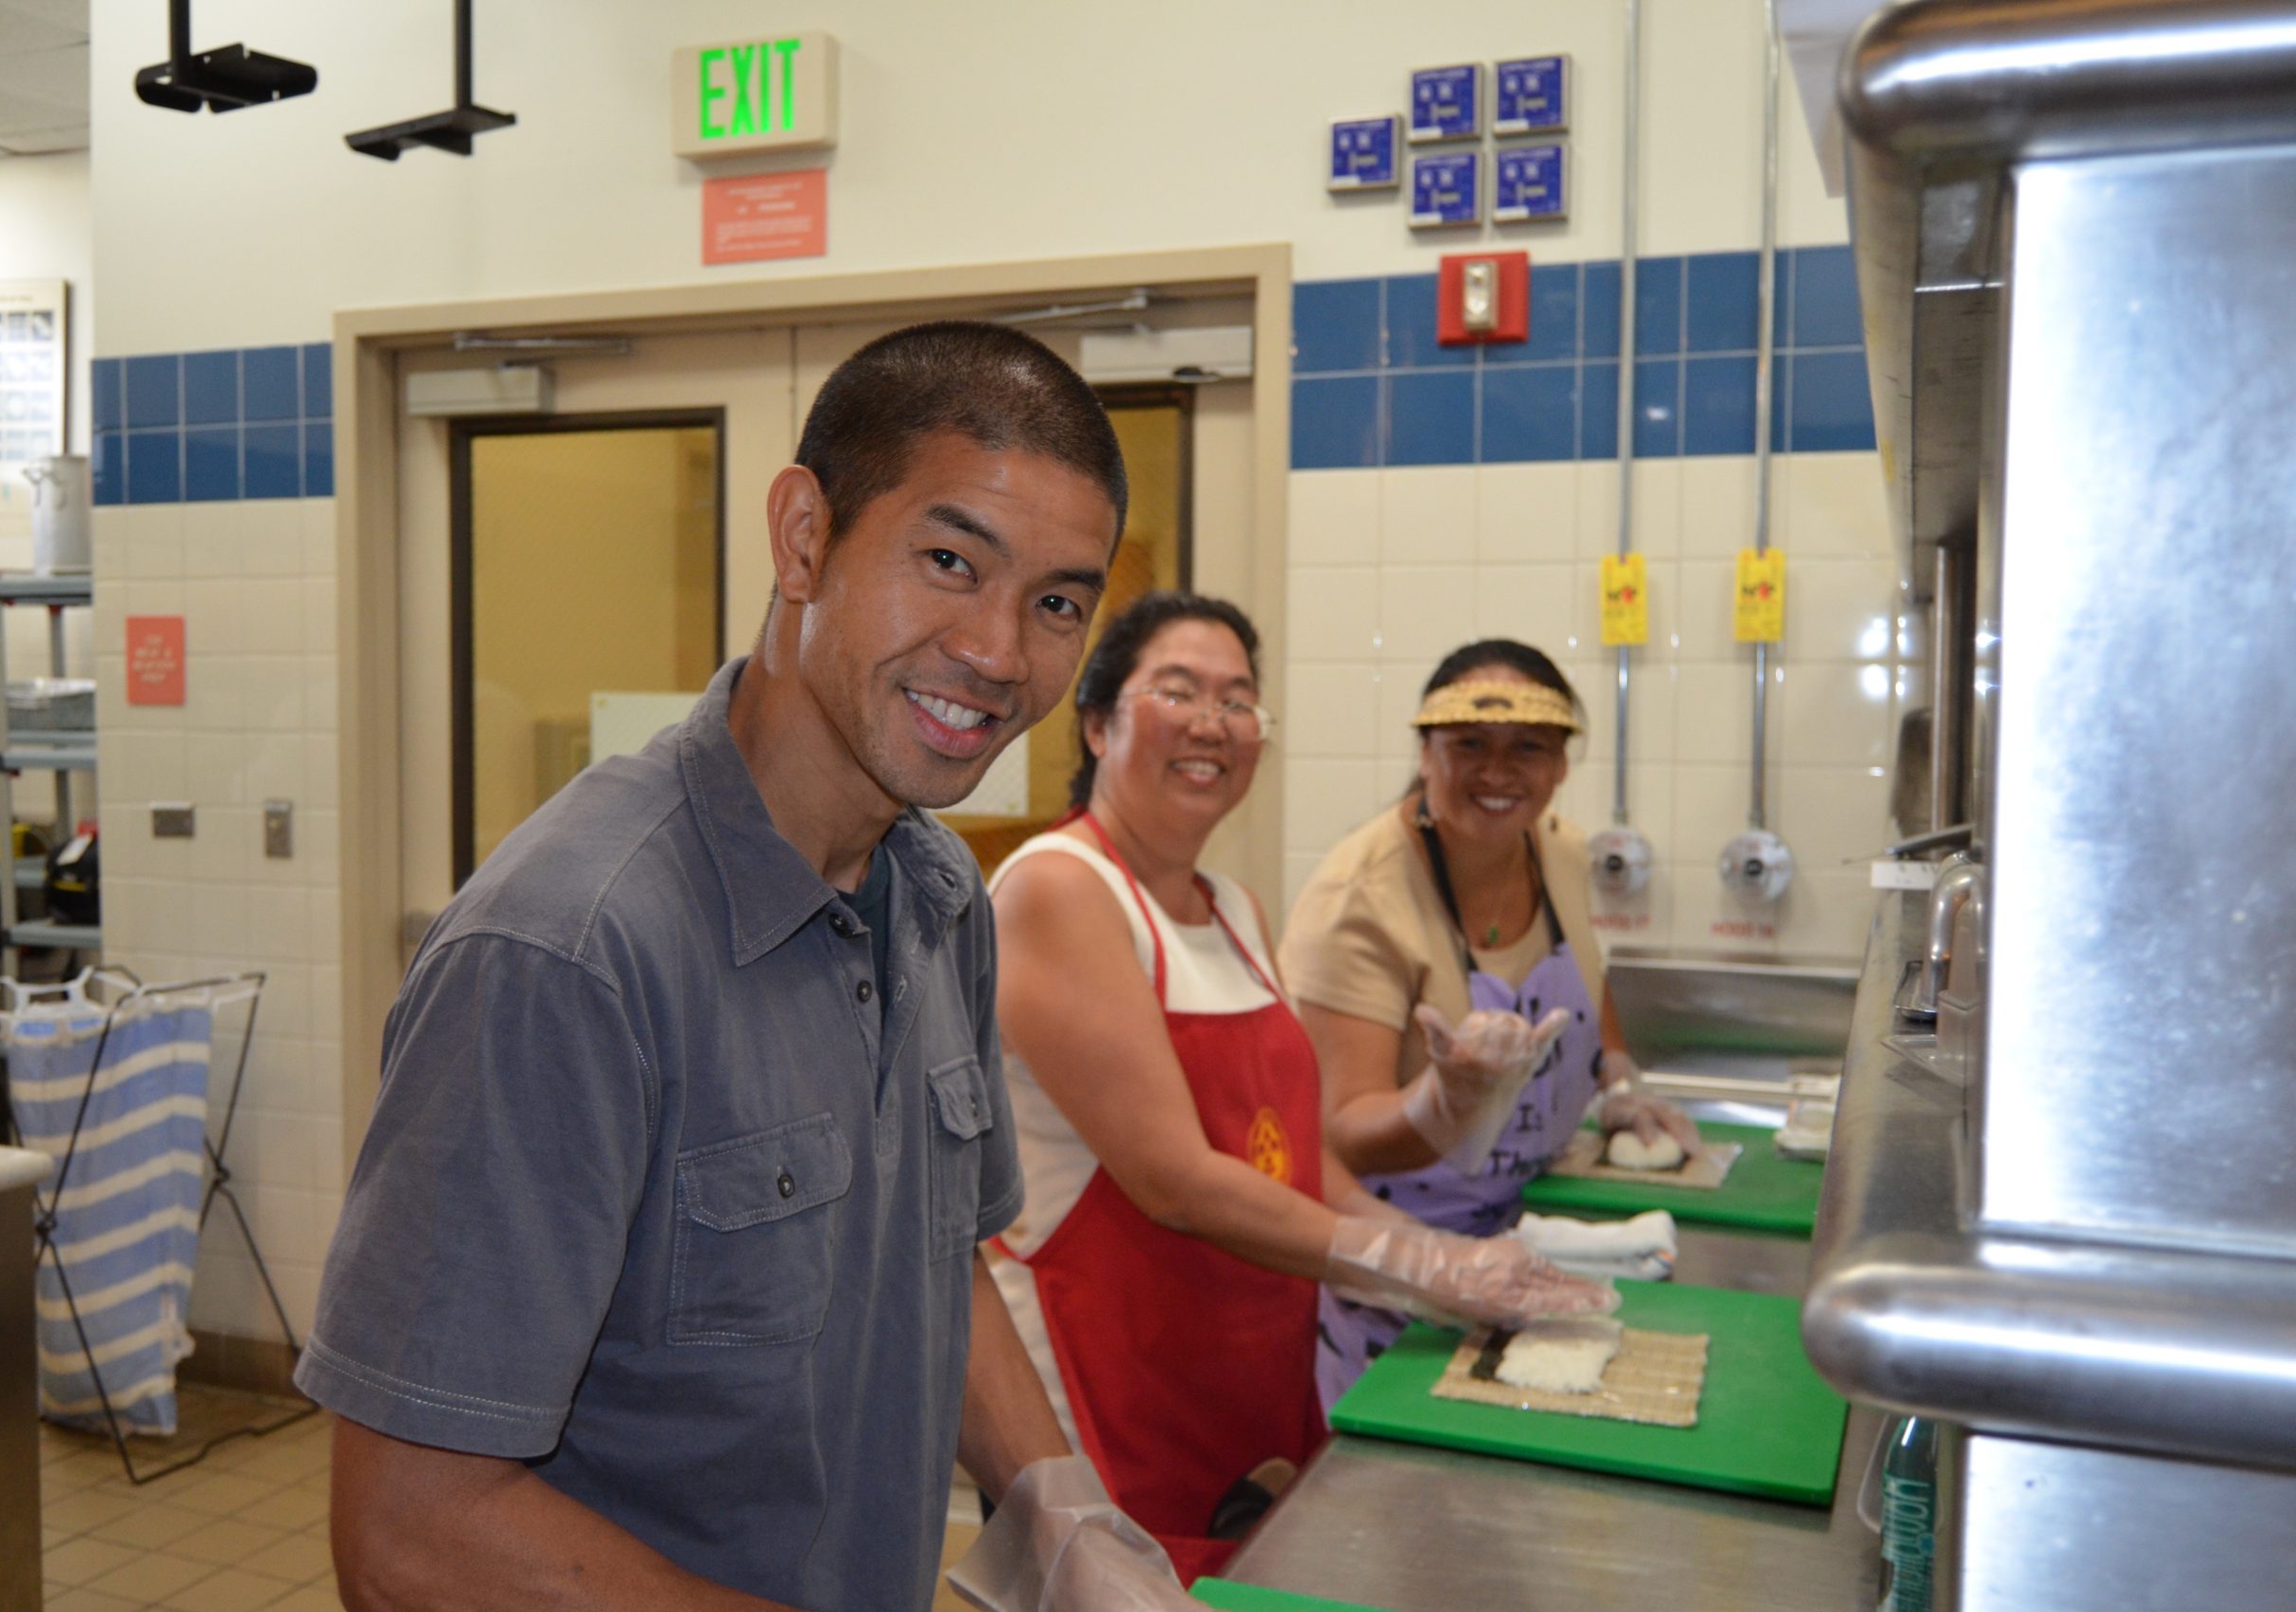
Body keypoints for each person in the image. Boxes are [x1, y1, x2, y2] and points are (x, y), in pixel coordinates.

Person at [299, 322, 1206, 1612]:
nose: (1001, 653)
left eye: (1057, 602)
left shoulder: (938, 898)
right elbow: (407, 1537)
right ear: (802, 537)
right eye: (949, 560)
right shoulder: (572, 949)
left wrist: (1057, 1506)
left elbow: (931, 1253)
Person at [989, 599, 1615, 1578]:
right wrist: (1406, 1264)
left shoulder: (1231, 909)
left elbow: (1289, 1156)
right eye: (1179, 691)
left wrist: (1434, 1247)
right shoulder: (1059, 889)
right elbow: (1177, 1182)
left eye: (1238, 700)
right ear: (1099, 721)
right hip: (1107, 1376)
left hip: (1244, 1368)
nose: (1212, 722)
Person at [1279, 640, 1702, 1404]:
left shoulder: (1559, 852)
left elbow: (1584, 972)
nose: (1498, 773)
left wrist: (1619, 1078)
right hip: (1402, 1270)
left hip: (1528, 1229)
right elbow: (1336, 1133)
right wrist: (1452, 1098)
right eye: (1469, 745)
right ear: (1425, 751)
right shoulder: (1360, 899)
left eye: (1528, 748)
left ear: (1563, 764)